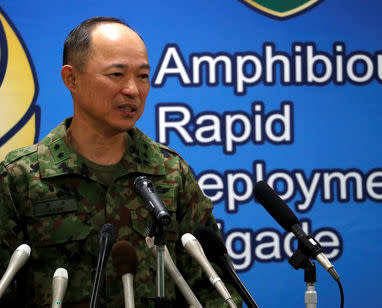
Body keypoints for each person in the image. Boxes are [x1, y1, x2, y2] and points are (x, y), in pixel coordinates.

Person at [0, 17, 242, 307]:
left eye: (142, 76)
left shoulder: (170, 172)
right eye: (117, 74)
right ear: (71, 78)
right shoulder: (21, 176)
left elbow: (210, 286)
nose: (133, 90)